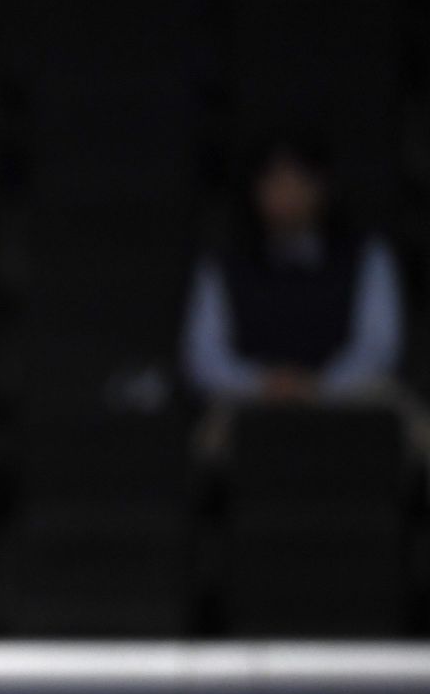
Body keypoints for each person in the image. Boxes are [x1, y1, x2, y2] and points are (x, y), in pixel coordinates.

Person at [180, 133, 430, 461]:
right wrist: (264, 385)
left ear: (322, 187)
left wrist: (317, 387)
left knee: (414, 423)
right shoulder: (223, 265)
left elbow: (378, 346)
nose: (287, 193)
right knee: (208, 438)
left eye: (298, 181)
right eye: (275, 182)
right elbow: (205, 357)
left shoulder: (367, 256)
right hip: (248, 397)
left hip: (350, 391)